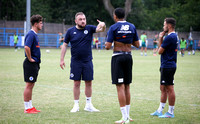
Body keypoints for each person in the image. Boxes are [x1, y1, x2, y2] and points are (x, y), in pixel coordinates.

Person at [60, 12, 106, 112]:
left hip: (87, 61)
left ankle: (88, 105)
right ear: (76, 21)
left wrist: (103, 25)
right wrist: (62, 59)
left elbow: (100, 29)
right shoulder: (70, 31)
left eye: (84, 19)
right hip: (75, 62)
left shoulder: (89, 28)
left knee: (88, 83)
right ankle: (76, 105)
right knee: (76, 83)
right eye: (80, 19)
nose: (83, 21)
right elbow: (64, 45)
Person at [105, 8, 139, 123]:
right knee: (127, 86)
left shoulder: (113, 27)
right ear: (124, 16)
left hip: (118, 57)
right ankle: (128, 115)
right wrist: (127, 39)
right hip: (128, 56)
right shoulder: (132, 26)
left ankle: (124, 117)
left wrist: (115, 39)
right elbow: (138, 44)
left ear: (115, 16)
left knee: (120, 86)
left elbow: (107, 46)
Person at [150, 18, 178, 118]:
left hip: (168, 66)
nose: (163, 26)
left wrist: (161, 38)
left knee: (169, 88)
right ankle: (160, 110)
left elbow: (159, 51)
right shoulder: (172, 36)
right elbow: (161, 49)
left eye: (164, 24)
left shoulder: (170, 37)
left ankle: (170, 112)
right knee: (163, 88)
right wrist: (161, 37)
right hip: (166, 65)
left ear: (169, 26)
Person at [23, 14, 43, 114]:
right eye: (40, 23)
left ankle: (30, 106)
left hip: (34, 64)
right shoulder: (31, 34)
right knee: (29, 85)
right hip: (30, 64)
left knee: (31, 85)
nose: (42, 25)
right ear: (35, 24)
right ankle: (27, 108)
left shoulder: (35, 34)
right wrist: (30, 58)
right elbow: (27, 47)